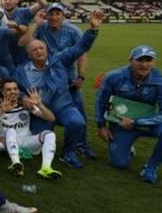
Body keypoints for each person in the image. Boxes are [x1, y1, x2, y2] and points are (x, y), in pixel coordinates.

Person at [14, 11, 104, 169]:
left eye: (41, 48)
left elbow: (80, 48)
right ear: (29, 54)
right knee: (33, 148)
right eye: (34, 50)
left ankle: (68, 153)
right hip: (39, 112)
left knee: (77, 122)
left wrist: (93, 30)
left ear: (46, 50)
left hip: (63, 107)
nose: (38, 51)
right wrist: (23, 98)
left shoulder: (60, 60)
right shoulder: (22, 70)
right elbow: (17, 89)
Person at [95, 45, 162, 184]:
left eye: (149, 60)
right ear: (131, 60)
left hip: (147, 123)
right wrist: (101, 125)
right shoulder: (114, 77)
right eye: (140, 60)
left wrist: (136, 122)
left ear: (154, 62)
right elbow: (100, 101)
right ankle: (128, 148)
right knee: (119, 163)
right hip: (121, 124)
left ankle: (151, 167)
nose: (144, 64)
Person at [26, 3, 95, 160]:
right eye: (51, 14)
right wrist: (36, 23)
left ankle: (80, 144)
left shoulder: (73, 31)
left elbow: (81, 52)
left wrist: (81, 76)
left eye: (58, 14)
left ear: (63, 16)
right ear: (47, 15)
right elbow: (28, 44)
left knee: (78, 111)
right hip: (46, 73)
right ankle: (43, 131)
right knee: (45, 103)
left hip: (68, 76)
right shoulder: (42, 28)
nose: (54, 17)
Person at [0, 79, 62, 179]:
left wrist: (39, 104)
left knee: (50, 134)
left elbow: (51, 118)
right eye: (8, 90)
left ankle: (46, 168)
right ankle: (16, 163)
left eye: (15, 89)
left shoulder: (26, 105)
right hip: (8, 144)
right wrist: (0, 111)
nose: (13, 92)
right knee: (11, 131)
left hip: (26, 141)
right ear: (2, 92)